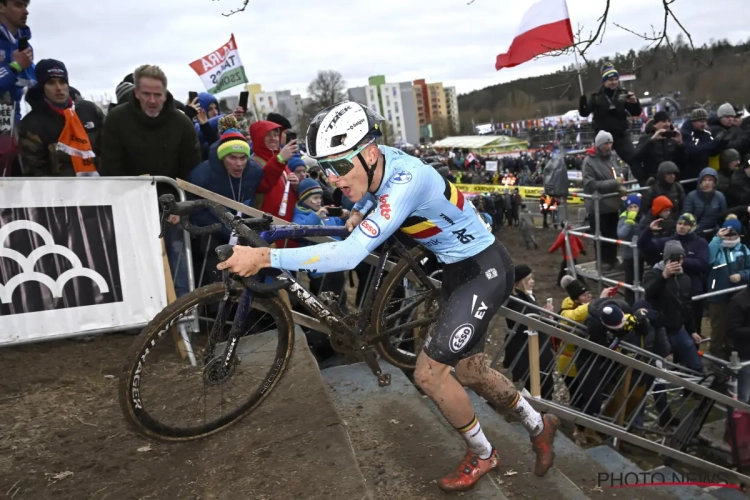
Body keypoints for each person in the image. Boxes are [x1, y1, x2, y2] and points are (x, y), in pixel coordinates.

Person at [217, 101, 558, 492]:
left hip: (484, 269)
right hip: (453, 266)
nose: (332, 180)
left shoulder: (405, 178)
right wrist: (362, 207)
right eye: (324, 169)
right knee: (470, 372)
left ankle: (483, 454)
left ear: (371, 153)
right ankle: (538, 423)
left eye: (341, 167)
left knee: (429, 375)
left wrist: (264, 256)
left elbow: (347, 255)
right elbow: (372, 192)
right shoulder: (379, 164)